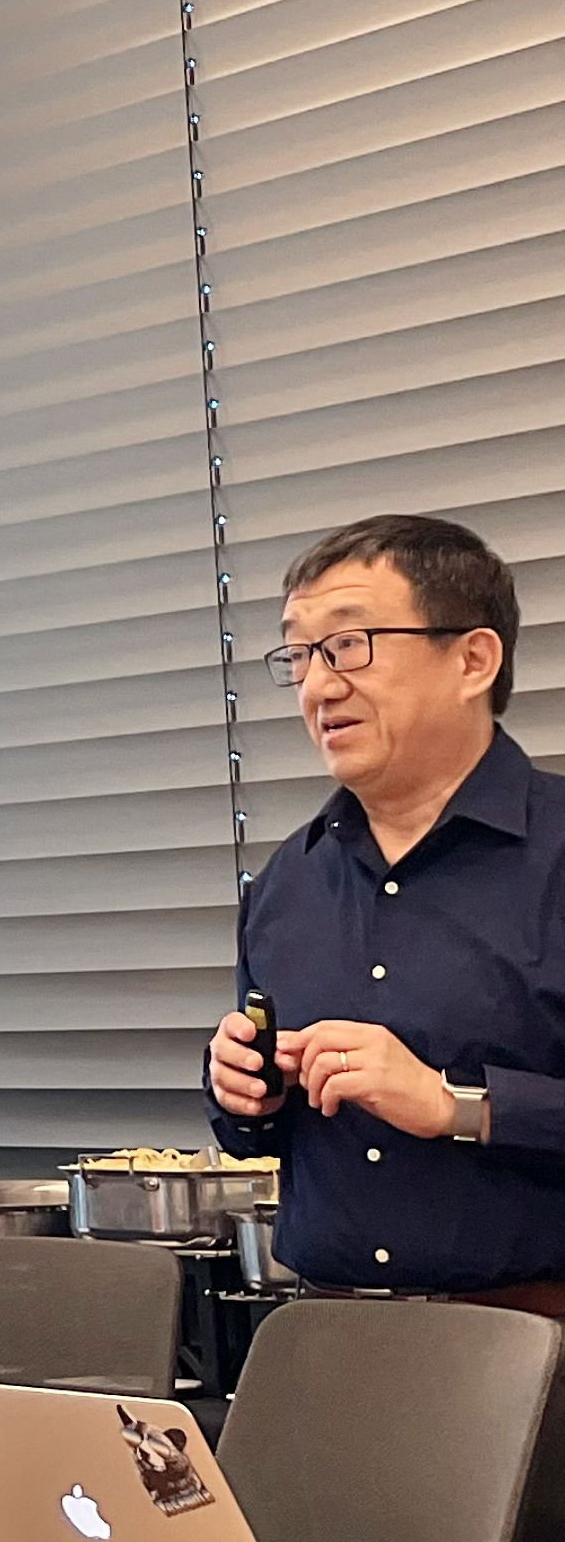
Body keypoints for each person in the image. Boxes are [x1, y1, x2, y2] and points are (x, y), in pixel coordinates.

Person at [206, 513, 565, 1299]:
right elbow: (262, 1133)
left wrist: (455, 1104)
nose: (316, 685)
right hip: (330, 1336)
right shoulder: (284, 884)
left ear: (471, 658)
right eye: (298, 654)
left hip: (535, 1338)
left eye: (347, 645)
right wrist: (242, 1093)